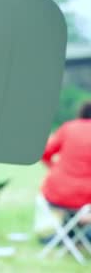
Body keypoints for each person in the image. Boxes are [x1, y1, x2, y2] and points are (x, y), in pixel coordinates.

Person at [36, 101, 91, 242]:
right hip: (86, 198)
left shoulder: (68, 128)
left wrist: (54, 168)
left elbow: (44, 153)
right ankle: (79, 237)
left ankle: (67, 237)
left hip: (56, 193)